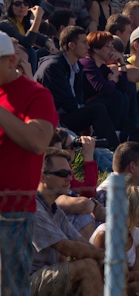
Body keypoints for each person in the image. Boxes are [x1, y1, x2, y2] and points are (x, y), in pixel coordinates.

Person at [0, 30, 59, 296]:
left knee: (10, 289)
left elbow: (37, 142)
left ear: (11, 61)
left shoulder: (36, 95)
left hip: (12, 212)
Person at [30, 148, 104, 296]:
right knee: (88, 267)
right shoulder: (32, 208)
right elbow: (67, 247)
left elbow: (80, 241)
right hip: (23, 283)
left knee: (99, 265)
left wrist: (103, 258)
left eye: (70, 172)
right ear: (42, 177)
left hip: (45, 276)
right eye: (63, 174)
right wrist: (105, 255)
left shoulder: (54, 208)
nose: (70, 178)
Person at [34, 25, 120, 148]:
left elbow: (78, 98)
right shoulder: (53, 66)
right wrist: (84, 117)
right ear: (71, 45)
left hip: (65, 114)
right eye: (84, 43)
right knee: (97, 109)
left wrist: (84, 118)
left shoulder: (76, 65)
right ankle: (115, 150)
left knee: (114, 99)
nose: (88, 46)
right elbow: (67, 102)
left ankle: (111, 145)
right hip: (51, 120)